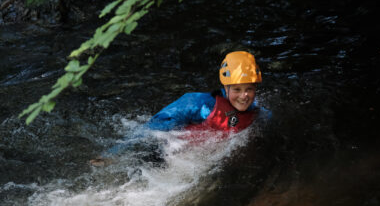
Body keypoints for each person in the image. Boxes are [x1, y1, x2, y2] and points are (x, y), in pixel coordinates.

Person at [90, 51, 270, 166]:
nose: (244, 96)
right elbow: (154, 128)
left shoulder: (257, 113)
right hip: (164, 150)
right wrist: (112, 154)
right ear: (226, 87)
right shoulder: (200, 105)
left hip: (197, 157)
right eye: (237, 89)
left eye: (249, 89)